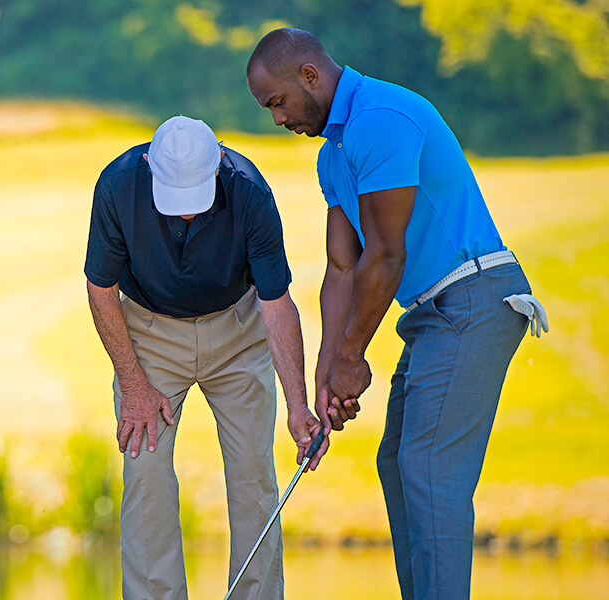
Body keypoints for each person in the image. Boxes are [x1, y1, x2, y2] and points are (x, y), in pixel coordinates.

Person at [246, 28, 548, 600]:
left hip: (475, 297)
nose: (277, 118)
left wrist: (353, 356)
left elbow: (386, 255)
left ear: (309, 76)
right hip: (434, 312)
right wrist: (326, 368)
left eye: (277, 102)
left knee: (429, 469)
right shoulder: (333, 155)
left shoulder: (381, 119)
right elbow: (342, 268)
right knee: (398, 463)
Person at [85, 115, 326, 600]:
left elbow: (276, 303)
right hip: (150, 337)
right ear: (150, 166)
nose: (186, 216)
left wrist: (298, 406)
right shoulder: (117, 186)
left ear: (218, 161)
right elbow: (101, 289)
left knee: (253, 474)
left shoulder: (250, 192)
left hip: (238, 332)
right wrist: (133, 386)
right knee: (145, 474)